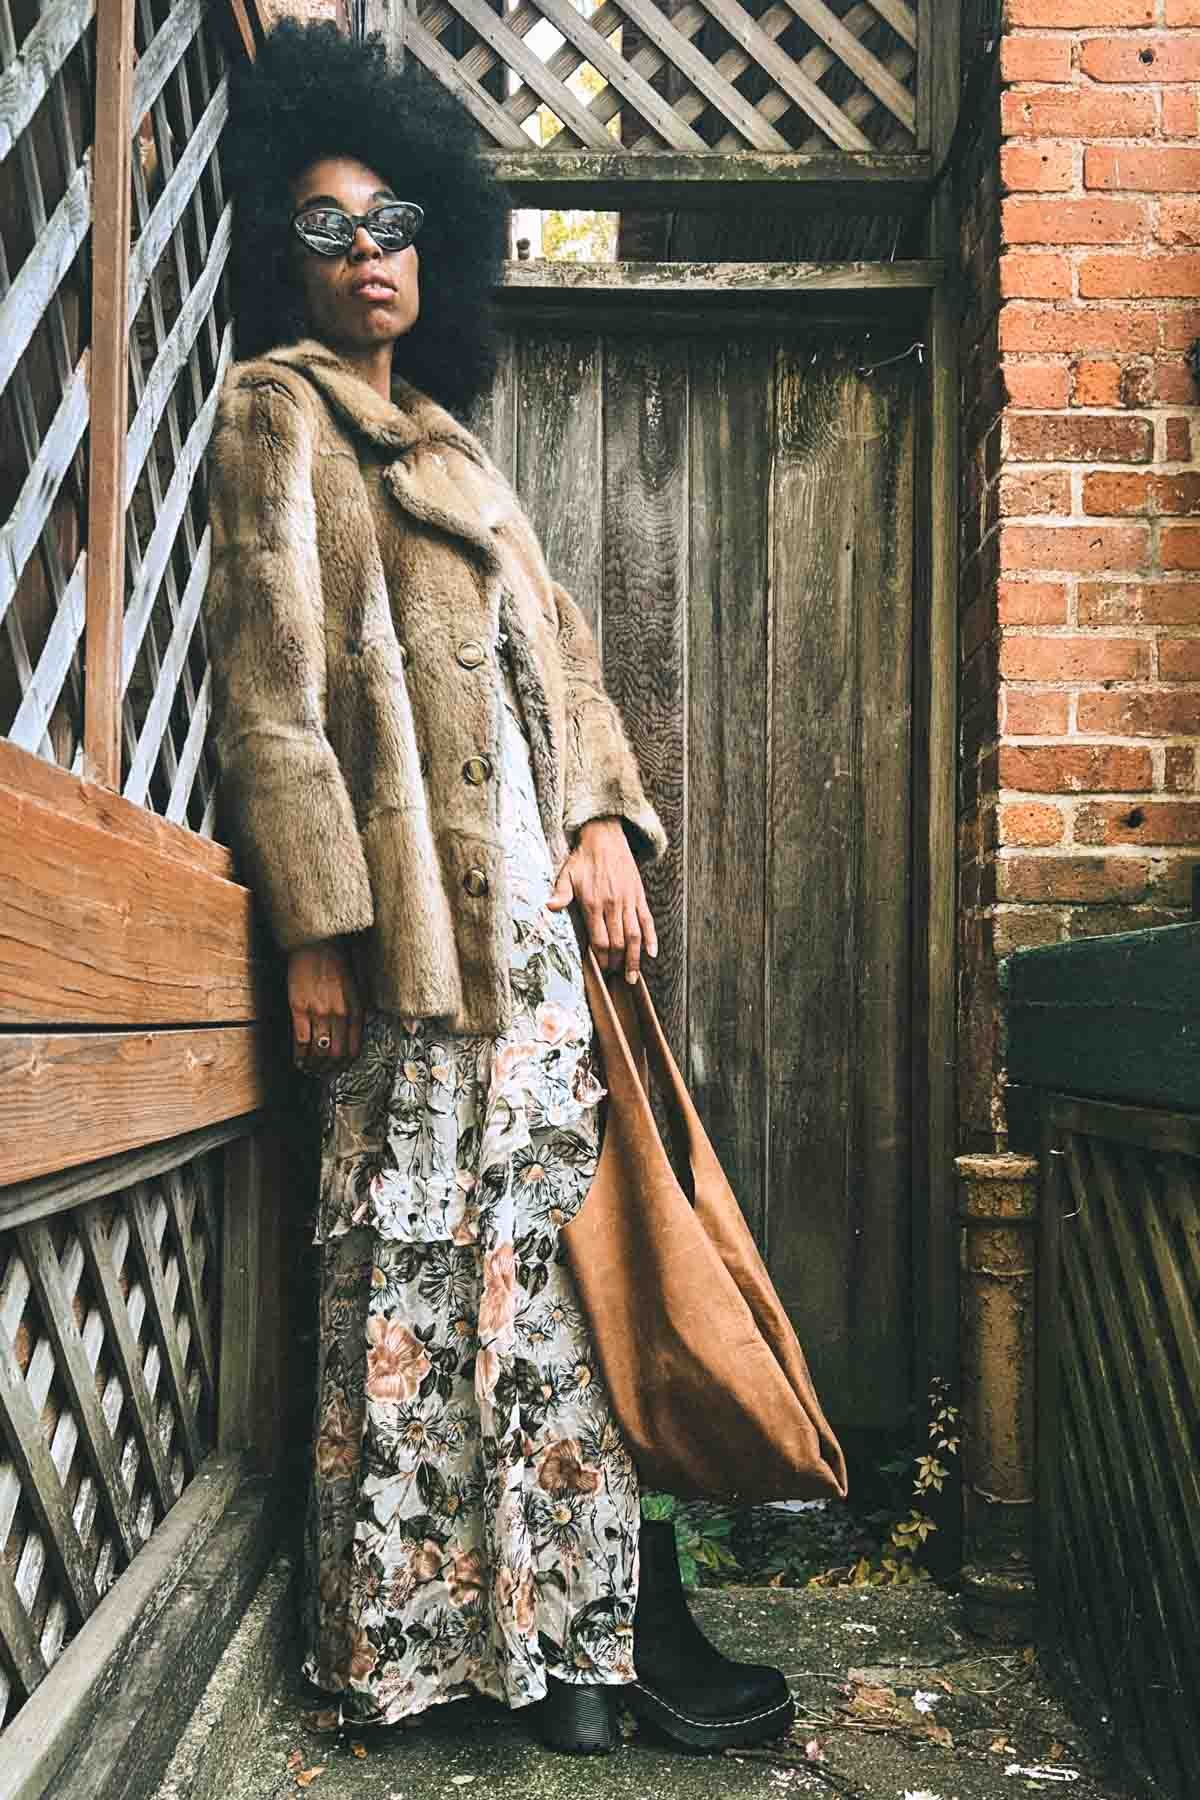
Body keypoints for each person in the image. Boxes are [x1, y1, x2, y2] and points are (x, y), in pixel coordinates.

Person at [206, 19, 793, 1755]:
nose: (366, 252)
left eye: (392, 221)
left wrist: (608, 824)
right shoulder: (277, 418)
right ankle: (433, 1651)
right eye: (324, 225)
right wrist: (317, 928)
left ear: (434, 242)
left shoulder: (457, 444)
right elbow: (270, 700)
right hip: (410, 945)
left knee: (550, 1278)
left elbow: (572, 670)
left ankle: (581, 1650)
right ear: (274, 245)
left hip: (536, 942)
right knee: (420, 1280)